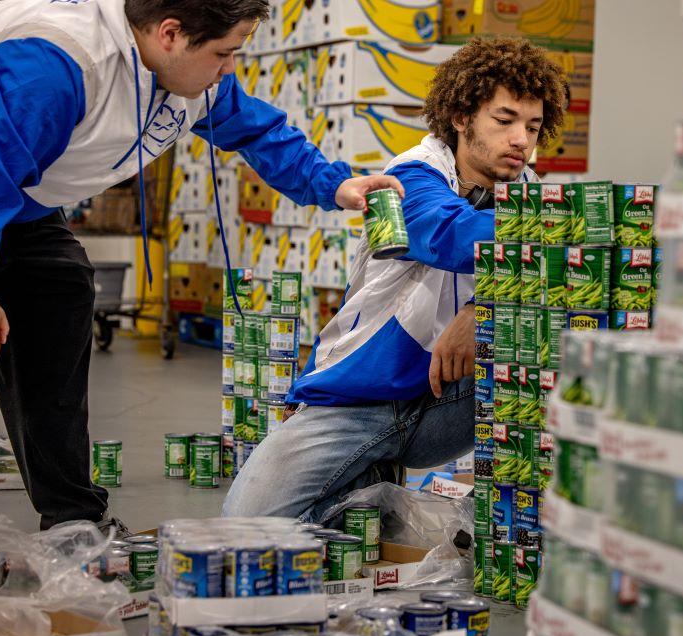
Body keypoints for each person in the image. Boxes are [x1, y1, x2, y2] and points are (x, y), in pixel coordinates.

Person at [0, 0, 401, 530]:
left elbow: (257, 131)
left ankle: (72, 522)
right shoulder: (58, 68)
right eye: (225, 53)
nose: (230, 68)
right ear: (170, 33)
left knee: (61, 293)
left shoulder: (190, 74)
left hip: (18, 197)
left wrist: (335, 184)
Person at [223, 37, 567, 521]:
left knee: (572, 339)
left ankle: (525, 530)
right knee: (247, 526)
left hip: (448, 399)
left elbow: (562, 284)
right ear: (462, 118)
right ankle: (366, 484)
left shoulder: (531, 197)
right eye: (505, 120)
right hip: (358, 398)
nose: (521, 141)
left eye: (532, 127)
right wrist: (567, 227)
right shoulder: (411, 177)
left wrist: (479, 312)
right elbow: (450, 235)